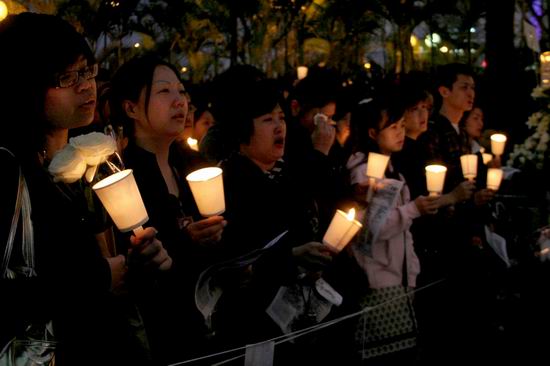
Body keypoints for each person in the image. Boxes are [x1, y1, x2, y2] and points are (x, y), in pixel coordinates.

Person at [0, 13, 171, 365]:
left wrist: (145, 261)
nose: (86, 86)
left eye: (88, 71)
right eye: (67, 76)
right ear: (25, 83)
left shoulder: (100, 160)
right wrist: (101, 276)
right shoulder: (11, 172)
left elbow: (120, 267)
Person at [108, 54, 226, 364]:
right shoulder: (122, 178)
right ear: (130, 107)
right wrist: (185, 242)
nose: (179, 101)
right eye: (164, 91)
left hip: (206, 329)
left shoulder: (189, 166)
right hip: (159, 339)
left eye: (181, 91)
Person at [214, 79, 337, 363]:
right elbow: (236, 255)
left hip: (299, 317)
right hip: (256, 320)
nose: (279, 126)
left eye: (281, 118)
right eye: (267, 120)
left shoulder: (286, 172)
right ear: (242, 129)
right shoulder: (229, 181)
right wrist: (291, 256)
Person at [343, 91, 439, 365]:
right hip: (378, 282)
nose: (401, 132)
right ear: (373, 132)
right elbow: (372, 231)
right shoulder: (364, 172)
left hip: (400, 278)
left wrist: (413, 270)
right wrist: (412, 209)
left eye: (400, 126)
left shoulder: (390, 168)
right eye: (392, 127)